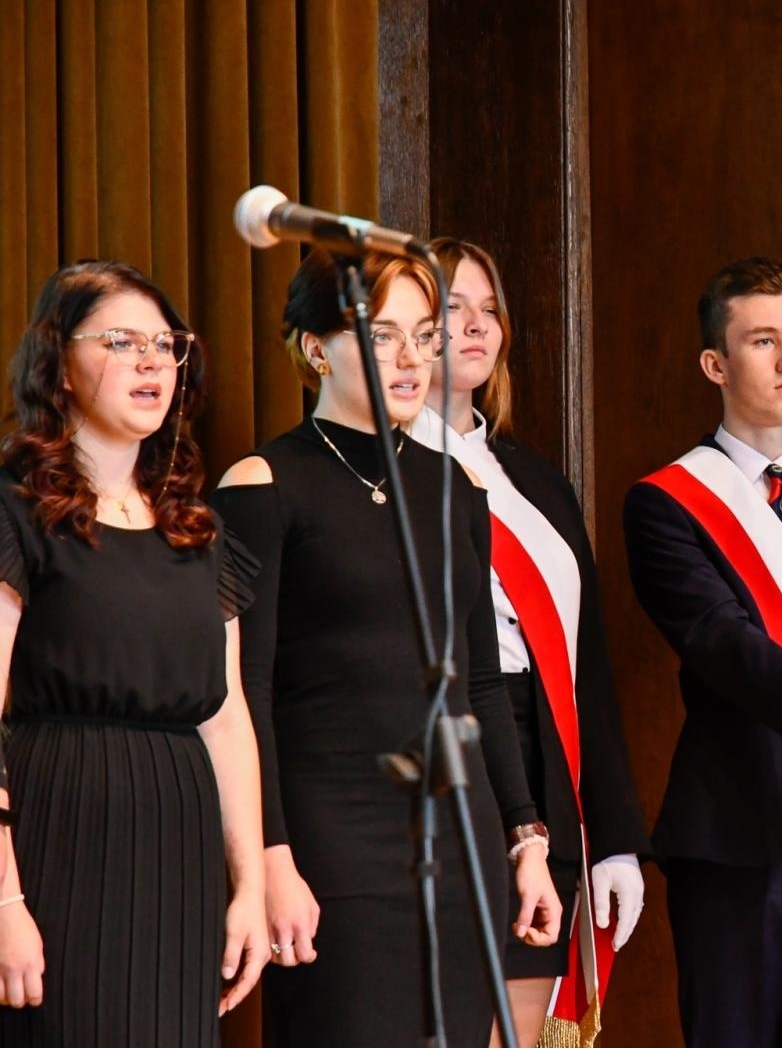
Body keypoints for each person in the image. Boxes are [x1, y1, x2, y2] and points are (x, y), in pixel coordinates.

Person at [212, 249, 561, 1047]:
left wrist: (525, 837)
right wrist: (268, 858)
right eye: (382, 336)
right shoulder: (263, 484)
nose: (411, 359)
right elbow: (244, 690)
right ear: (315, 347)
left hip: (458, 830)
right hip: (329, 834)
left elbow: (478, 683)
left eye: (425, 335)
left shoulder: (459, 489)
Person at [0, 261, 269, 1045]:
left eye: (167, 345)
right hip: (58, 838)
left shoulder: (199, 529)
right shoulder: (16, 513)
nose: (153, 362)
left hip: (177, 856)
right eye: (122, 341)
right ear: (59, 363)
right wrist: (5, 902)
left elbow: (224, 718)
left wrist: (248, 884)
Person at [623, 257, 782, 1048]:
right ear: (716, 363)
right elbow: (719, 642)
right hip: (734, 841)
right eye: (763, 340)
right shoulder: (666, 503)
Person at [409, 238, 649, 1047]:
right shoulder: (382, 469)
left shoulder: (536, 478)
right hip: (442, 753)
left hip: (544, 749)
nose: (475, 326)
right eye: (450, 308)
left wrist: (612, 832)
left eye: (488, 309)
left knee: (525, 1015)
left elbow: (589, 670)